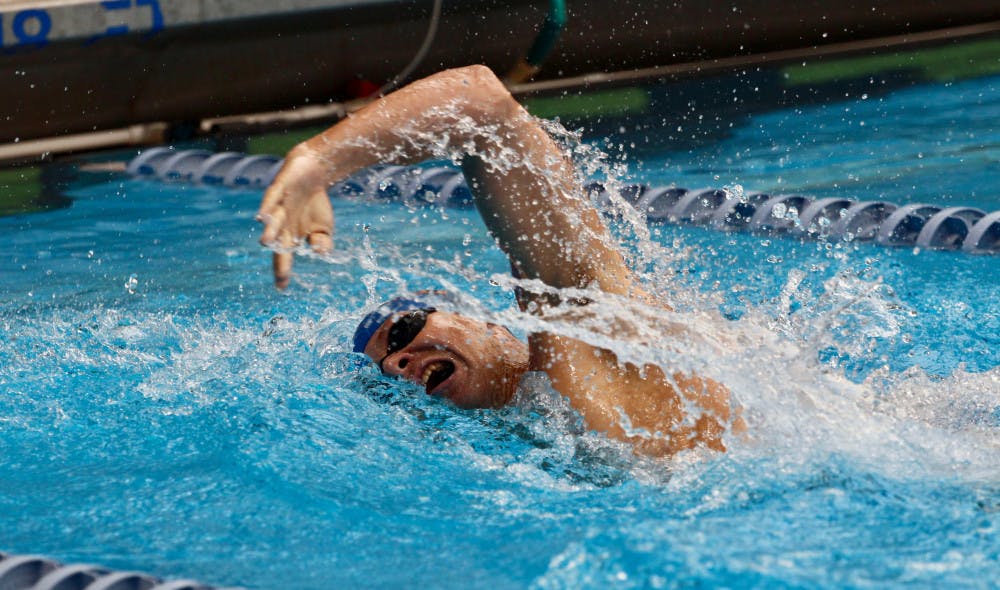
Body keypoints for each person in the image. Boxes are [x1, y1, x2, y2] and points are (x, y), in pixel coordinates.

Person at [257, 65, 736, 457]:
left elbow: (481, 105)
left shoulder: (581, 324)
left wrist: (317, 162)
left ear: (492, 325)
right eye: (387, 371)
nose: (400, 363)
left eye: (403, 332)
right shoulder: (531, 439)